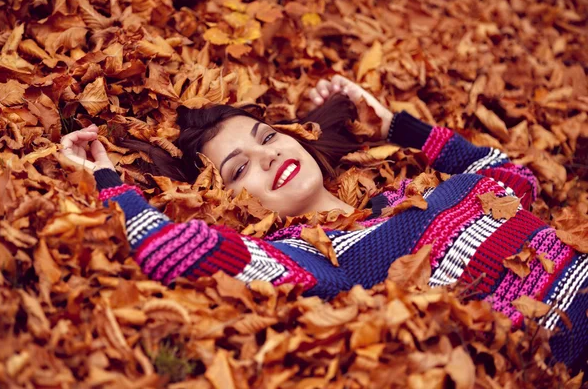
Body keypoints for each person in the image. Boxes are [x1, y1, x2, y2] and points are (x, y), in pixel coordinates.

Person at [61, 75, 587, 370]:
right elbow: (172, 249)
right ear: (225, 200)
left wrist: (401, 127)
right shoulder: (313, 258)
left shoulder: (401, 195)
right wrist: (108, 179)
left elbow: (514, 178)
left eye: (267, 137)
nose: (266, 157)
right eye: (239, 167)